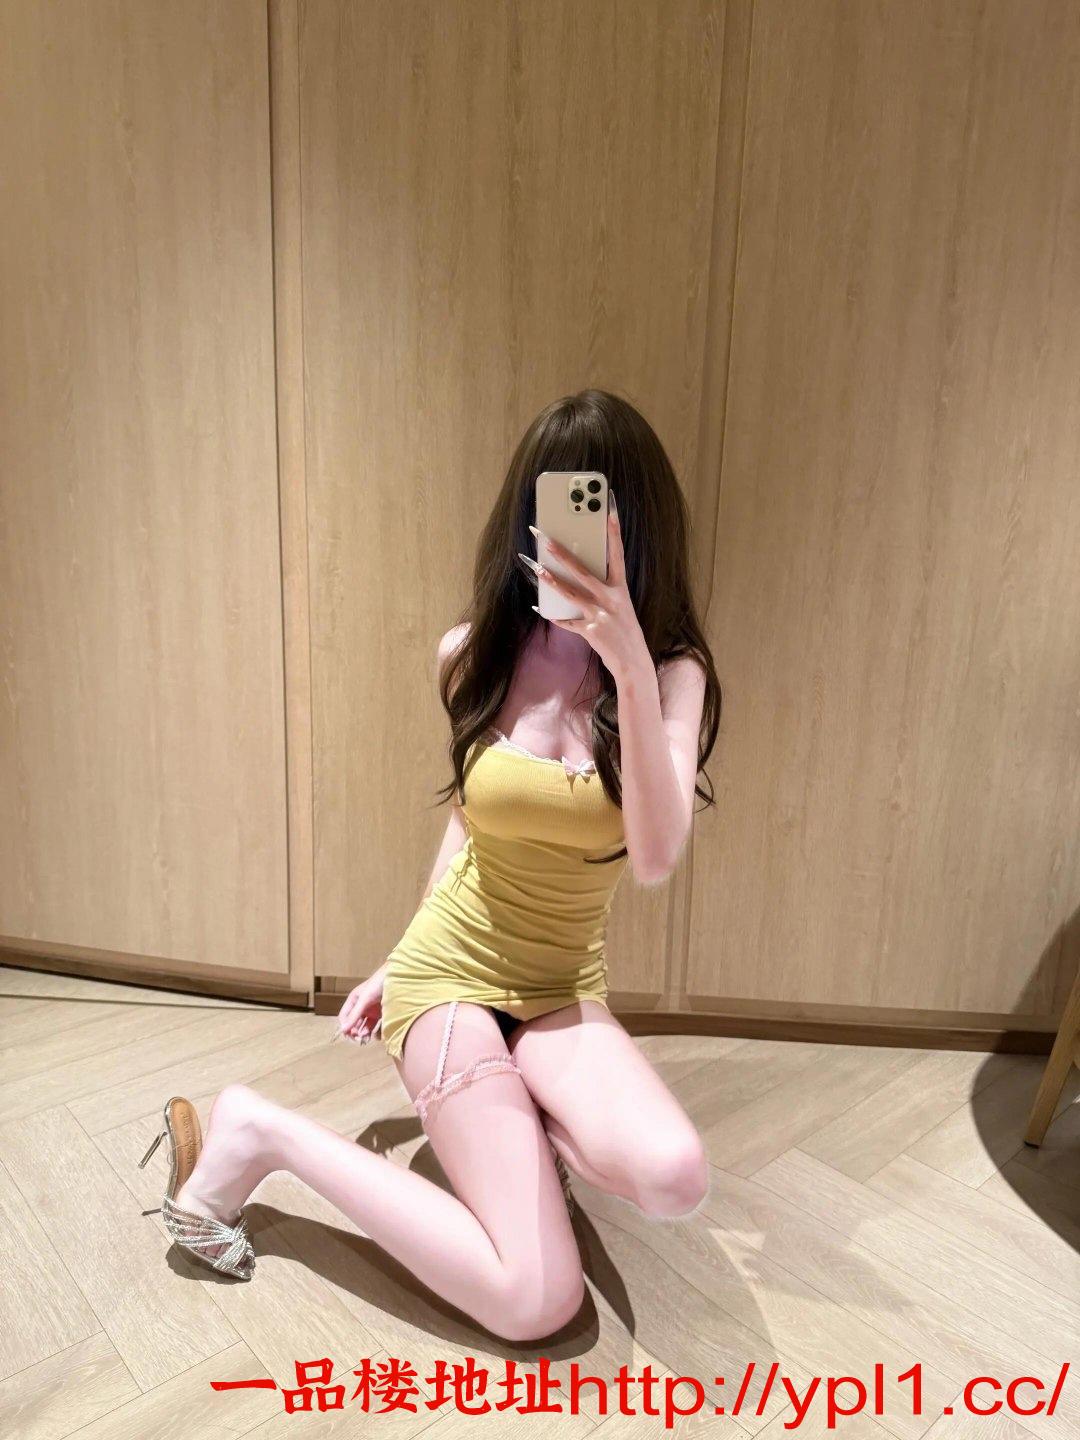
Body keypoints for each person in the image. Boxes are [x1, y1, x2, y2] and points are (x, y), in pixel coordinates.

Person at [142, 388, 722, 1345]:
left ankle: (515, 1121)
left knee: (674, 1177)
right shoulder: (473, 656)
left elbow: (656, 858)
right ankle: (260, 1132)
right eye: (563, 509)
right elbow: (471, 822)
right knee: (537, 1302)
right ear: (530, 519)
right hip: (449, 978)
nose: (583, 540)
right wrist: (399, 958)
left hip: (559, 989)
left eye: (604, 516)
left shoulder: (670, 674)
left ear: (642, 529)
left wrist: (624, 658)